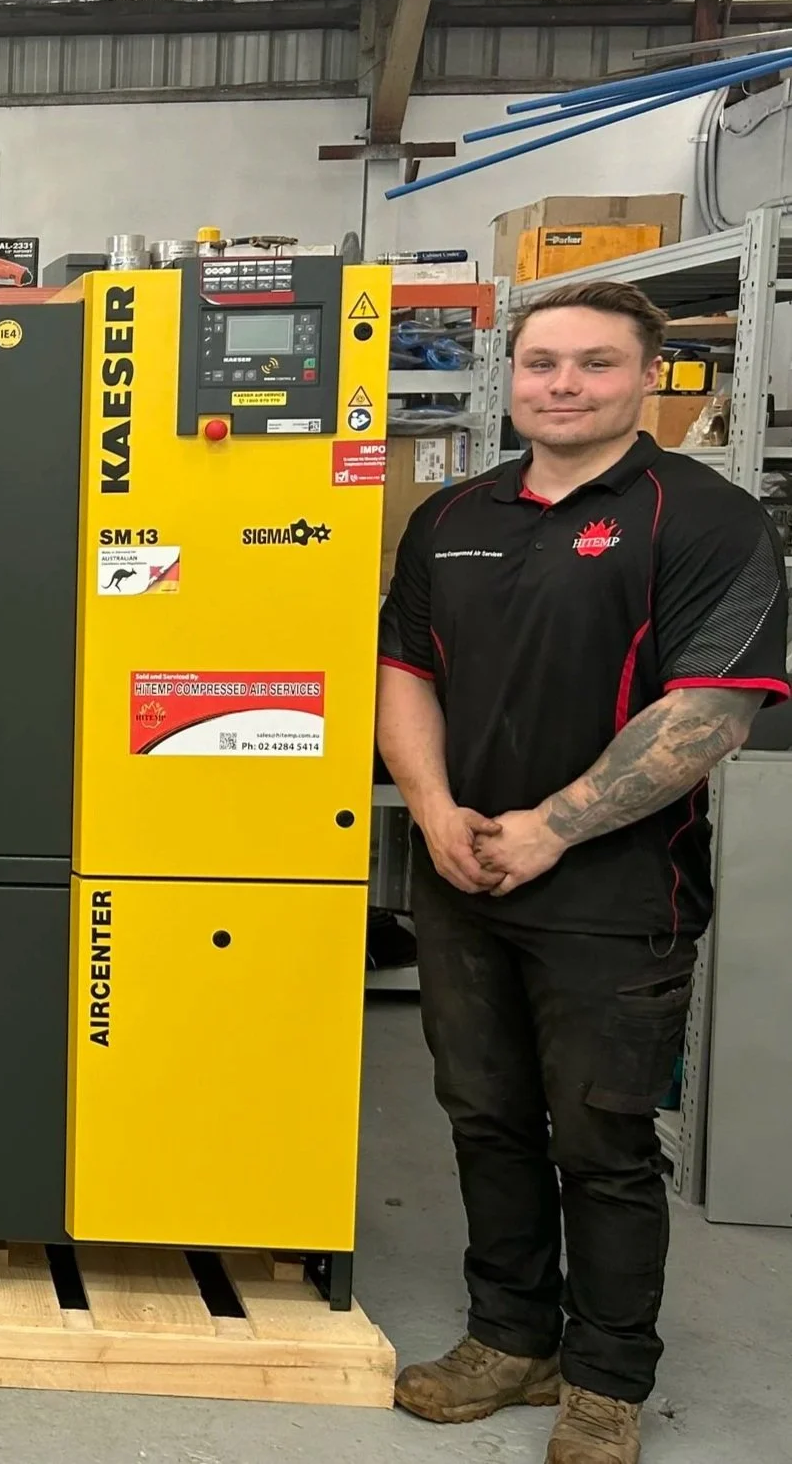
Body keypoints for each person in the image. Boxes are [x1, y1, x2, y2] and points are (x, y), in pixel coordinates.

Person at [377, 278, 789, 1464]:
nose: (562, 386)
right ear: (509, 377)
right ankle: (508, 1338)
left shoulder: (702, 518)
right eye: (541, 363)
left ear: (646, 378)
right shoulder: (452, 513)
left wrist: (551, 828)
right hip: (461, 873)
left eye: (593, 364)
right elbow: (401, 671)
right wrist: (436, 812)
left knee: (601, 1142)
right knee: (483, 1117)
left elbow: (711, 709)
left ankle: (605, 1380)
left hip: (613, 895)